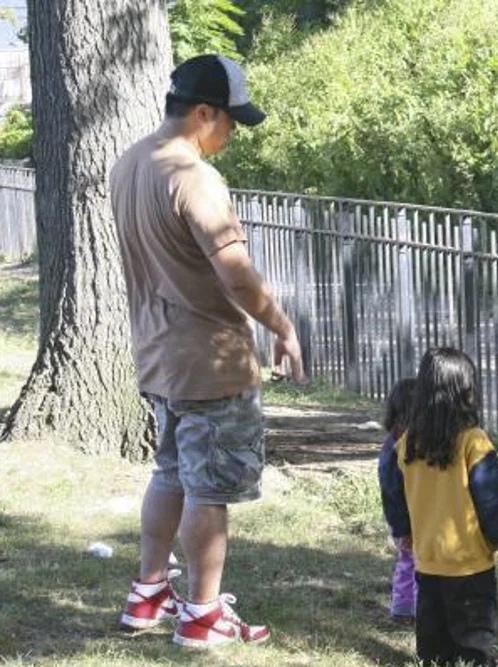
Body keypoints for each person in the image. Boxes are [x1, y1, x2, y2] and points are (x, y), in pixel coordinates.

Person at [112, 54, 306, 648]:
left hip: (159, 357)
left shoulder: (129, 163)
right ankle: (201, 614)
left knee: (169, 471)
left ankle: (148, 595)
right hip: (211, 364)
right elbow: (237, 275)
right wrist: (282, 325)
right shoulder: (193, 178)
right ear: (203, 113)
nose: (232, 135)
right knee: (208, 488)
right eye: (230, 123)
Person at [381, 347, 498, 667]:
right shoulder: (473, 441)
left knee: (432, 641)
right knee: (475, 641)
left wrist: (403, 531)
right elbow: (492, 495)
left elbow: (392, 491)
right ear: (467, 392)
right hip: (470, 563)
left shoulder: (406, 443)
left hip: (427, 559)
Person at [378, 376, 419, 621]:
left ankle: (407, 605)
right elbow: (391, 490)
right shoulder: (396, 446)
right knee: (410, 561)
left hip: (419, 514)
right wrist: (402, 528)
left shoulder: (411, 442)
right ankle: (405, 606)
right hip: (405, 516)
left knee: (412, 561)